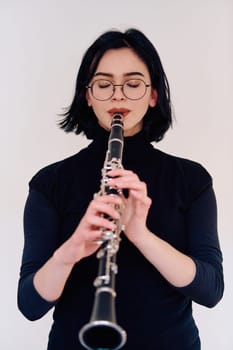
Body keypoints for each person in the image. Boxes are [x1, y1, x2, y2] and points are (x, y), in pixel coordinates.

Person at [17, 28, 224, 350]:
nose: (118, 95)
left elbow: (210, 291)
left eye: (132, 83)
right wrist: (71, 250)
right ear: (87, 95)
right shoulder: (50, 182)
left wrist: (140, 233)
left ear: (153, 95)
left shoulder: (192, 179)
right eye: (103, 84)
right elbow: (30, 305)